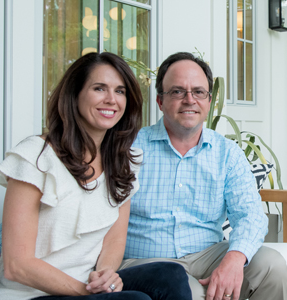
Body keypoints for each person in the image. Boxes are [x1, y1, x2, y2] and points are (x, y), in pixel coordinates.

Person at [0, 52, 192, 300]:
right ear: (75, 95)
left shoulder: (124, 162)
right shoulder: (35, 157)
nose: (111, 100)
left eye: (120, 91)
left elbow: (115, 241)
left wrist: (106, 275)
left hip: (87, 286)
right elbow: (17, 265)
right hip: (31, 294)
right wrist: (86, 292)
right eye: (99, 88)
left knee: (171, 274)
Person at [118, 52, 287, 300]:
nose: (190, 100)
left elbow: (250, 215)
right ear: (160, 101)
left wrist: (234, 258)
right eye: (177, 92)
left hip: (206, 254)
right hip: (145, 259)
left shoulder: (227, 153)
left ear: (208, 100)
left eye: (198, 92)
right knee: (189, 290)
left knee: (273, 266)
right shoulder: (129, 148)